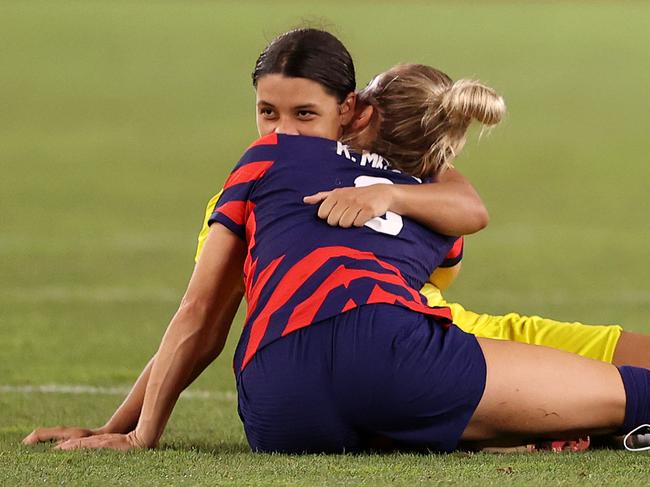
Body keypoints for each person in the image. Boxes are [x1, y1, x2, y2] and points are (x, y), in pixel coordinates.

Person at [23, 32, 650, 453]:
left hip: (275, 399)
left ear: (353, 109)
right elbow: (468, 213)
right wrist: (405, 191)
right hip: (402, 353)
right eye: (270, 113)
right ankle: (551, 427)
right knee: (625, 388)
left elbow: (201, 318)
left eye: (304, 115)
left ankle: (521, 429)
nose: (284, 131)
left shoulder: (259, 169)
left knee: (444, 388)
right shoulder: (441, 206)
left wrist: (133, 433)